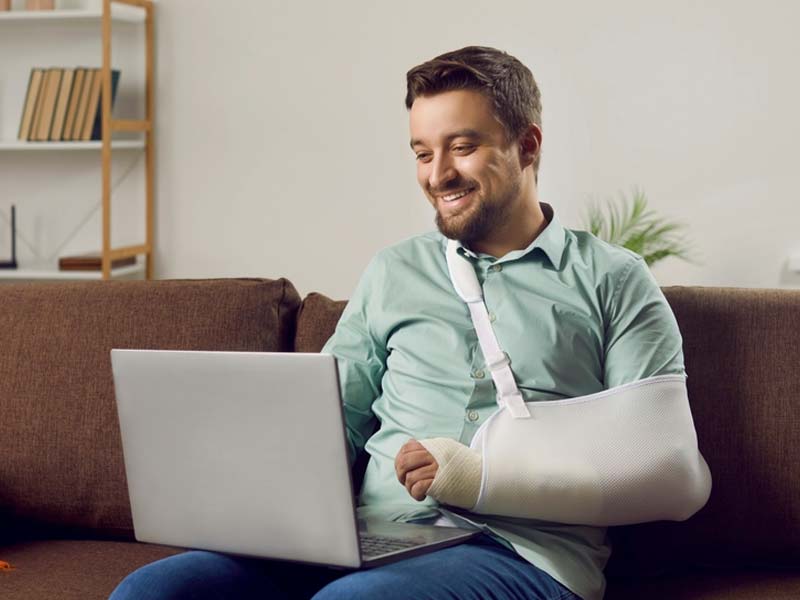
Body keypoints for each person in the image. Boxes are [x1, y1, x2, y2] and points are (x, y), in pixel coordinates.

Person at [110, 45, 686, 600]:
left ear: (527, 144)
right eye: (421, 153)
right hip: (369, 538)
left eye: (461, 147)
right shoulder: (394, 271)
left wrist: (480, 478)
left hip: (520, 551)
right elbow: (328, 421)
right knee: (155, 589)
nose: (438, 175)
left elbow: (667, 472)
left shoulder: (612, 279)